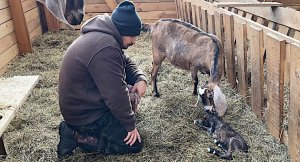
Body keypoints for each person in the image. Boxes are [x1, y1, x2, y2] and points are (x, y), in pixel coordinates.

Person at [57, 0, 147, 157]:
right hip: (85, 116)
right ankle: (75, 136)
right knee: (133, 146)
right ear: (122, 30)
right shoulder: (106, 47)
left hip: (84, 104)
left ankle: (77, 131)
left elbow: (125, 62)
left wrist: (140, 78)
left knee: (127, 106)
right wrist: (130, 125)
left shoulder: (106, 37)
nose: (134, 41)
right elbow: (116, 94)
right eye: (132, 36)